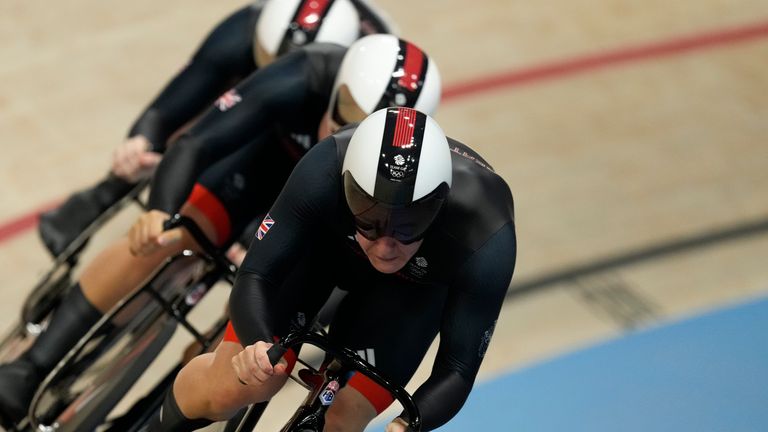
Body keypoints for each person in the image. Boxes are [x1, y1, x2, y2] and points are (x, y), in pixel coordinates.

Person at [0, 34, 441, 424]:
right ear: (332, 87)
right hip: (260, 166)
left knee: (246, 343)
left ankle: (148, 415)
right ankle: (34, 365)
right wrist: (160, 211)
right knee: (166, 236)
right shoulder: (301, 74)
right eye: (344, 112)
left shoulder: (405, 172)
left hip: (323, 217)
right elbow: (198, 141)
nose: (345, 132)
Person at [148, 107, 517, 431]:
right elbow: (256, 275)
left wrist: (410, 423)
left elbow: (457, 366)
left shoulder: (487, 231)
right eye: (369, 219)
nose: (386, 246)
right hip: (324, 253)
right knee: (237, 384)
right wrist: (256, 346)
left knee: (342, 419)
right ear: (347, 183)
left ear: (439, 205)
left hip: (414, 291)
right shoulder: (326, 165)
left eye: (409, 226)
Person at [37, 0, 395, 258]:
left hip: (307, 117)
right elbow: (179, 99)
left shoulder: (350, 78)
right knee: (209, 126)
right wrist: (142, 140)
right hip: (267, 82)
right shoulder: (248, 27)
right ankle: (102, 195)